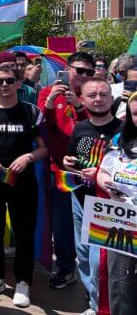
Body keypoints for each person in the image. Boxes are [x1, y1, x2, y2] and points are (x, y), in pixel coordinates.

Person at [0, 65, 48, 308]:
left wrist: (27, 157)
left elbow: (43, 148)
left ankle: (23, 282)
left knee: (24, 233)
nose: (4, 85)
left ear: (19, 83)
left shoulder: (31, 111)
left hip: (23, 182)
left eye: (9, 80)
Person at [63, 78, 122, 314]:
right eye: (92, 95)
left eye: (103, 94)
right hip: (79, 199)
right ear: (83, 99)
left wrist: (98, 173)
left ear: (111, 98)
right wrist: (68, 161)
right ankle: (93, 301)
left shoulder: (122, 131)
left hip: (106, 206)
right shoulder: (80, 127)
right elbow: (71, 156)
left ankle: (101, 307)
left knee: (100, 262)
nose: (97, 99)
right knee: (84, 256)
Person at [38, 51, 94, 289]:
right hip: (59, 171)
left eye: (88, 72)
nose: (82, 76)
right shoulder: (46, 92)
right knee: (61, 224)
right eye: (78, 70)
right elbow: (41, 126)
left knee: (89, 226)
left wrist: (79, 105)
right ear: (67, 68)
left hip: (89, 173)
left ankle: (93, 273)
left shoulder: (95, 94)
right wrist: (51, 102)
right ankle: (65, 266)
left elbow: (96, 126)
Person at [97, 91, 137, 315]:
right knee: (120, 280)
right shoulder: (119, 141)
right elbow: (103, 172)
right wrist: (107, 184)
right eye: (136, 113)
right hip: (122, 219)